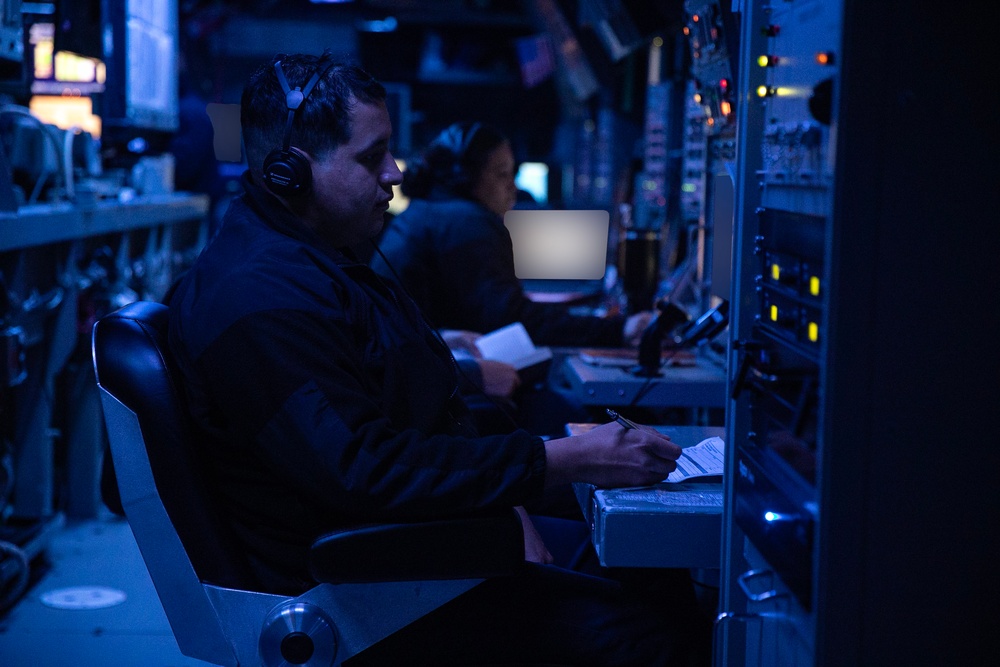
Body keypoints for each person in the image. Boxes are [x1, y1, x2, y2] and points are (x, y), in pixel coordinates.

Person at [167, 51, 705, 666]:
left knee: (649, 562)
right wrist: (560, 458)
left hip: (413, 539)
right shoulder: (258, 296)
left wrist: (509, 497)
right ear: (291, 170)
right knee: (649, 632)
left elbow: (410, 410)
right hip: (368, 584)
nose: (394, 172)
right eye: (371, 157)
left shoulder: (318, 263)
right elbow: (365, 467)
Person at [370, 121, 652, 348]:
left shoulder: (429, 212)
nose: (513, 188)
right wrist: (619, 329)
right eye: (503, 174)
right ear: (465, 177)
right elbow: (512, 320)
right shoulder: (468, 223)